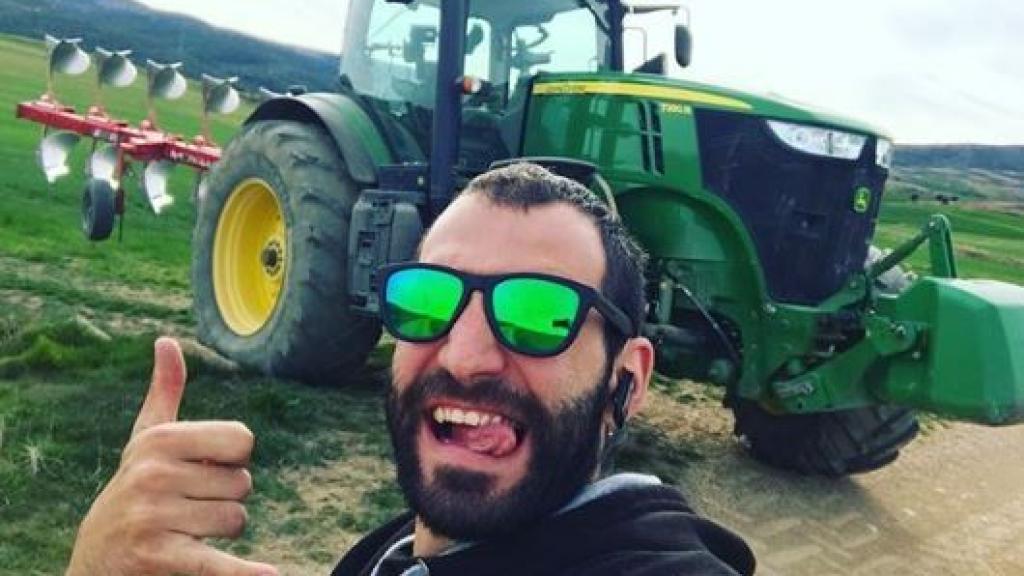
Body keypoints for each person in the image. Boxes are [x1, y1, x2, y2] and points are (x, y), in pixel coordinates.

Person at [66, 163, 756, 576]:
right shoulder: (393, 549)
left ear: (626, 380)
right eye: (427, 300)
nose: (464, 355)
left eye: (540, 312)